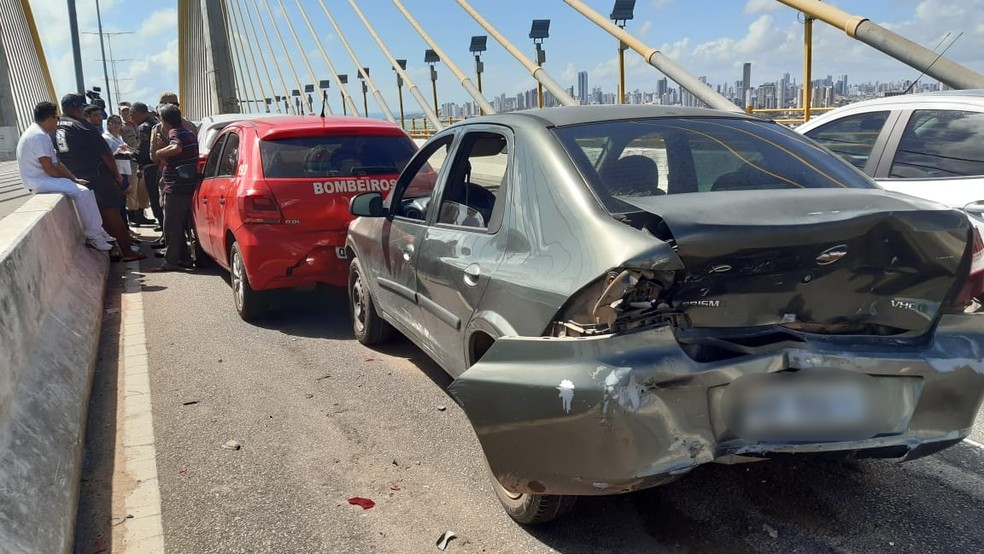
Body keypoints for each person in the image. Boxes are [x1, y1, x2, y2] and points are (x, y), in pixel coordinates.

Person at [54, 93, 143, 262]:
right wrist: (118, 178)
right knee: (111, 213)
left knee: (98, 217)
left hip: (73, 178)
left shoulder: (55, 127)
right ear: (78, 108)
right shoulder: (84, 127)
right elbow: (106, 154)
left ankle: (113, 250)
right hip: (97, 175)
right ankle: (127, 252)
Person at [15, 101, 115, 251]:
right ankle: (94, 236)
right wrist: (70, 181)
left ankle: (98, 231)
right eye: (57, 118)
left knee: (85, 189)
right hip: (38, 181)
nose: (58, 122)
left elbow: (57, 163)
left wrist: (74, 179)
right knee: (82, 192)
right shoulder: (38, 136)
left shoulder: (40, 133)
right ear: (49, 118)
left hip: (42, 179)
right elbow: (49, 167)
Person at [150, 104, 199, 271]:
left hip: (177, 187)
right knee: (179, 226)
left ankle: (170, 262)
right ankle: (184, 259)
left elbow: (176, 148)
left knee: (171, 226)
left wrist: (159, 152)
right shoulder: (188, 132)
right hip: (187, 185)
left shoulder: (175, 133)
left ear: (164, 120)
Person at [131, 102, 164, 235]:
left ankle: (165, 235)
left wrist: (132, 155)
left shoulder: (144, 127)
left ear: (139, 113)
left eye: (132, 114)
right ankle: (164, 230)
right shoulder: (155, 122)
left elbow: (144, 149)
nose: (131, 118)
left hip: (151, 167)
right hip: (160, 166)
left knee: (156, 201)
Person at [119, 102, 153, 225]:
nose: (128, 114)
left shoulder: (141, 126)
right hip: (133, 163)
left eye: (130, 112)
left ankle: (140, 214)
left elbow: (142, 147)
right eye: (124, 111)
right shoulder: (122, 127)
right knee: (134, 192)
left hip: (144, 163)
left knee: (145, 193)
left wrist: (133, 153)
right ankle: (134, 216)